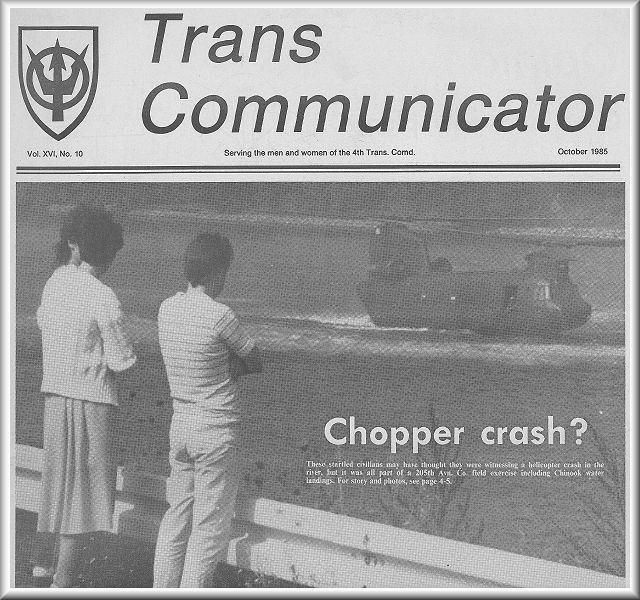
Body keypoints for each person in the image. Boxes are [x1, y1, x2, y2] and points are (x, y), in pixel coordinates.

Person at [34, 204, 137, 587]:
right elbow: (122, 360)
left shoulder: (54, 281)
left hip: (54, 393)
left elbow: (46, 323)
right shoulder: (103, 295)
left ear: (73, 244)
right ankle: (64, 581)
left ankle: (42, 566)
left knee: (57, 485)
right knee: (83, 498)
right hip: (91, 397)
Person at [153, 232, 263, 588]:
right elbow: (255, 359)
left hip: (181, 422)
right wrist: (234, 366)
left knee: (176, 519)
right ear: (218, 273)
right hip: (215, 429)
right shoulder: (221, 315)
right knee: (207, 530)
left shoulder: (167, 308)